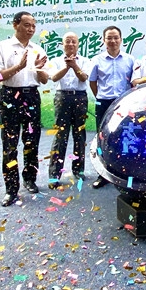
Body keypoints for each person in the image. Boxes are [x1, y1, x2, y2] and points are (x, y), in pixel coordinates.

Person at [0, 11, 49, 207]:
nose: (31, 29)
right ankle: (11, 189)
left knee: (32, 141)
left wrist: (38, 68)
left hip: (31, 97)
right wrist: (19, 67)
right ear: (15, 25)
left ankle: (30, 179)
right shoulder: (0, 47)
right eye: (27, 25)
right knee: (10, 144)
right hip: (9, 98)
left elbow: (44, 80)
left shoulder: (38, 49)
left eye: (33, 26)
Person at [89, 25, 135, 189]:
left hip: (124, 103)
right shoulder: (97, 60)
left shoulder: (130, 60)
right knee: (103, 138)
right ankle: (103, 174)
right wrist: (101, 96)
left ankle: (125, 172)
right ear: (103, 40)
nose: (113, 41)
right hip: (104, 103)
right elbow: (93, 82)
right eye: (109, 38)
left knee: (125, 137)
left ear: (121, 40)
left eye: (116, 37)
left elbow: (133, 82)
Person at [47, 32, 93, 189]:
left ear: (78, 44)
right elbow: (54, 78)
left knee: (79, 135)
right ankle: (54, 175)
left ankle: (78, 170)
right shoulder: (56, 61)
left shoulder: (85, 61)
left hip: (80, 97)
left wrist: (74, 65)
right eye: (68, 41)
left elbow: (84, 78)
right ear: (62, 44)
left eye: (74, 41)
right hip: (62, 97)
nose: (71, 44)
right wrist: (67, 66)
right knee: (60, 135)